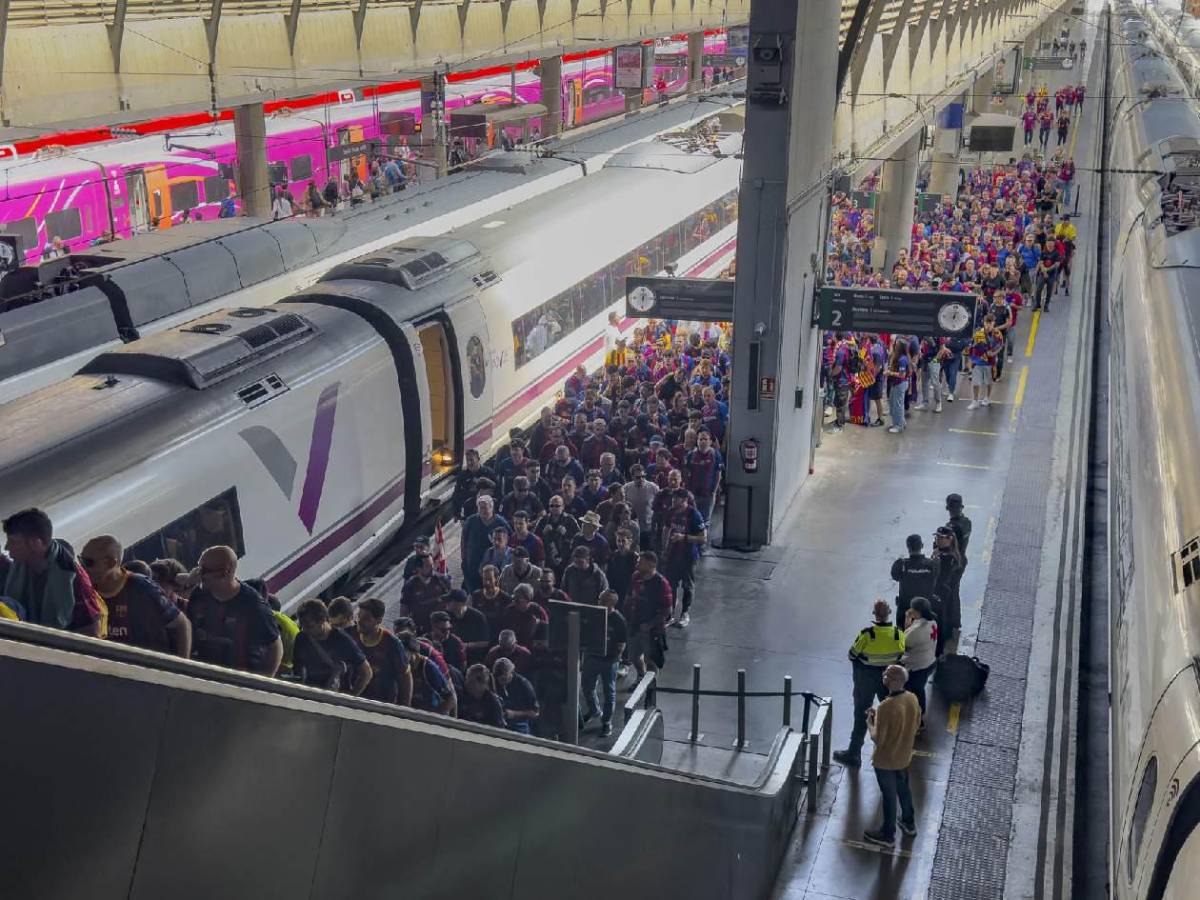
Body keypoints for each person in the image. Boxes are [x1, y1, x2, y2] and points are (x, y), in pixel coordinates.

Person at [80, 535, 191, 657]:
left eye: (88, 562)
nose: (82, 568)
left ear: (110, 563)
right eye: (80, 561)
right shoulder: (84, 589)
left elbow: (182, 624)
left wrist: (182, 666)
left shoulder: (141, 588)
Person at [2, 508, 104, 635]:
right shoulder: (18, 569)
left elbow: (91, 630)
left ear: (35, 543)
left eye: (13, 542)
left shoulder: (72, 577)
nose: (7, 547)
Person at [186, 546, 282, 675]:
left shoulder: (252, 604)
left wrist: (265, 680)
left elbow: (275, 646)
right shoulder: (198, 596)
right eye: (199, 568)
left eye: (204, 571)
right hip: (207, 674)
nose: (198, 575)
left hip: (241, 677)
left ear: (226, 572)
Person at [833, 600, 905, 767]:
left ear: (874, 614)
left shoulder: (867, 634)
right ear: (889, 612)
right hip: (887, 679)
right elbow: (901, 654)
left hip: (865, 678)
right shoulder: (898, 634)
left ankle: (854, 754)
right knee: (888, 714)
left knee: (861, 715)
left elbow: (852, 655)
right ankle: (888, 752)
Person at [863, 664, 922, 846]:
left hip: (886, 760)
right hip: (904, 755)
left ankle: (888, 835)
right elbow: (917, 722)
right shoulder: (912, 698)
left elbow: (878, 739)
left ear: (894, 680)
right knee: (903, 789)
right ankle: (908, 822)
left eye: (886, 675)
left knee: (888, 796)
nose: (884, 677)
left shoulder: (887, 706)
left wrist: (871, 721)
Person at [292, 599, 372, 694]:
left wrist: (351, 697)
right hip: (311, 694)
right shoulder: (302, 638)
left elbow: (366, 672)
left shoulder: (342, 640)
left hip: (335, 697)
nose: (305, 630)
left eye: (309, 626)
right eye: (302, 626)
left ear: (322, 621)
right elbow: (297, 669)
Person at [581, 590, 628, 736]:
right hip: (591, 657)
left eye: (602, 601)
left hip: (609, 661)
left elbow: (621, 644)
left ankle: (606, 722)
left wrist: (614, 658)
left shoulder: (619, 621)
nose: (599, 602)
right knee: (587, 686)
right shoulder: (593, 615)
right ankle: (594, 711)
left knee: (609, 693)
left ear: (611, 604)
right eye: (599, 599)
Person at [353, 597, 413, 705]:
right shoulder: (352, 635)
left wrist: (404, 709)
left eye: (366, 618)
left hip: (382, 704)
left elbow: (405, 678)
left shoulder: (392, 644)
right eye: (359, 616)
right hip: (357, 701)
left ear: (379, 620)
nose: (360, 621)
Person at [662, 489, 706, 628]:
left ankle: (685, 613)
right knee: (670, 585)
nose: (674, 501)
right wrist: (664, 547)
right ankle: (669, 614)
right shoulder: (671, 512)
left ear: (685, 500)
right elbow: (667, 528)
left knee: (687, 585)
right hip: (673, 555)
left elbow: (703, 538)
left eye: (677, 499)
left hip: (689, 556)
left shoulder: (694, 515)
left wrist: (684, 537)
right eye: (673, 499)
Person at [626, 551, 673, 676]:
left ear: (651, 565)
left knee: (650, 661)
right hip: (635, 625)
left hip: (652, 631)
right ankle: (641, 676)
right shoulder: (636, 576)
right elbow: (630, 595)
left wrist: (650, 624)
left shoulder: (662, 584)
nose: (637, 564)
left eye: (641, 562)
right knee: (633, 656)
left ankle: (651, 690)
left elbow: (667, 610)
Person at [460, 496, 509, 592]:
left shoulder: (501, 522)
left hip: (492, 566)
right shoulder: (470, 521)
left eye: (485, 508)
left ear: (491, 507)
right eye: (480, 508)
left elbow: (509, 541)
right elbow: (463, 540)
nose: (482, 511)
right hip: (473, 565)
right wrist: (464, 558)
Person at [901, 599, 938, 721]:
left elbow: (903, 643)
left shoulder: (916, 631)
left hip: (916, 667)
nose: (910, 610)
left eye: (913, 609)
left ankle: (917, 719)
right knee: (919, 690)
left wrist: (907, 619)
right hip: (930, 662)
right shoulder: (932, 622)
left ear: (918, 612)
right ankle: (919, 715)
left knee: (915, 692)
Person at [402, 632, 455, 715]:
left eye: (404, 654)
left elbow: (451, 699)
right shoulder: (396, 663)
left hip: (427, 716)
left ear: (414, 653)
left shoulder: (428, 667)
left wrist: (432, 717)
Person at [889, 534, 939, 622]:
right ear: (922, 546)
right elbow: (937, 576)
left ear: (908, 547)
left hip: (906, 610)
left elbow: (895, 576)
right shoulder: (933, 564)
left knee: (904, 634)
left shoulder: (901, 564)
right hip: (926, 611)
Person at [400, 553, 450, 628]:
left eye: (432, 564)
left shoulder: (442, 580)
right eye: (428, 566)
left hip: (441, 626)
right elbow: (404, 609)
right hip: (421, 626)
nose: (432, 568)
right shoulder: (410, 586)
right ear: (418, 568)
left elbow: (450, 600)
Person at [444, 588, 491, 664]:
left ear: (460, 604)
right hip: (452, 657)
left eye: (450, 601)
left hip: (474, 658)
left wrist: (465, 645)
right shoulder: (446, 616)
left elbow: (485, 642)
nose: (446, 603)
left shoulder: (478, 617)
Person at [493, 657, 539, 734]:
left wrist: (515, 714)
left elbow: (535, 712)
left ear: (511, 673)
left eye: (504, 679)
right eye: (499, 680)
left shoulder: (524, 684)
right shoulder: (493, 683)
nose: (501, 683)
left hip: (520, 727)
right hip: (499, 726)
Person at [539, 495, 580, 575]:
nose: (554, 508)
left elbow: (579, 538)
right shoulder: (544, 520)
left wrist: (567, 534)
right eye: (552, 506)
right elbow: (535, 539)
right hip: (548, 560)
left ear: (563, 507)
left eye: (557, 506)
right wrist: (542, 533)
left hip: (566, 560)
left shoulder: (570, 520)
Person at [458, 663, 507, 728]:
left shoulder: (493, 702)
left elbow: (499, 728)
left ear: (483, 683)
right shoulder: (461, 696)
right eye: (466, 679)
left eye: (471, 682)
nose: (467, 683)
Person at [427, 609, 468, 675]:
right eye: (443, 630)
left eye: (449, 629)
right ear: (433, 627)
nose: (447, 632)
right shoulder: (425, 641)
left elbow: (463, 664)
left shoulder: (456, 642)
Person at [885, 339, 910, 434]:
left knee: (898, 405)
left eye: (897, 345)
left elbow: (902, 375)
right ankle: (901, 422)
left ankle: (898, 426)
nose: (895, 346)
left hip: (900, 384)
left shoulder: (902, 359)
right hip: (896, 383)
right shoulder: (897, 357)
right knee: (893, 403)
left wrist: (890, 373)